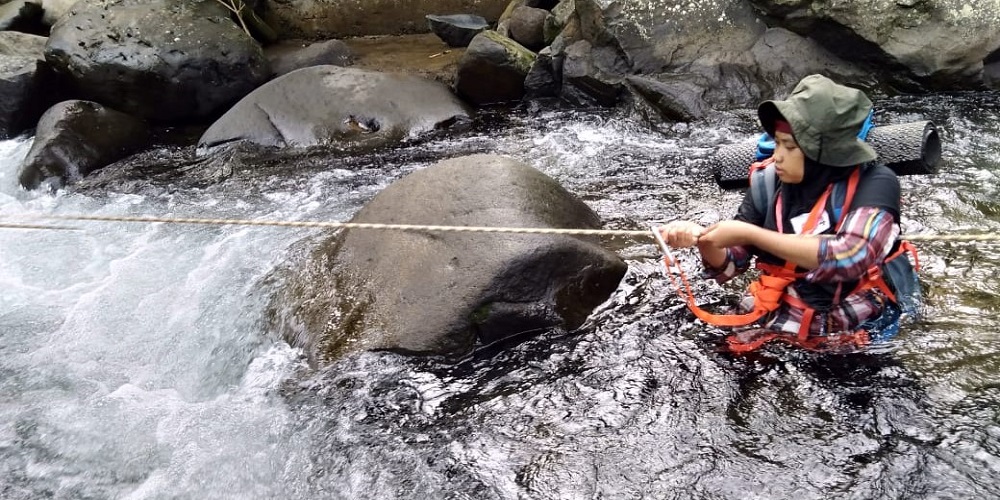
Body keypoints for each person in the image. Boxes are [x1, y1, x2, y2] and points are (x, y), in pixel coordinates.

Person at [661, 74, 911, 353]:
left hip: (851, 322)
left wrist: (752, 235)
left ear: (823, 152)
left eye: (789, 146)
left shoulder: (876, 182)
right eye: (777, 143)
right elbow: (730, 266)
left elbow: (851, 256)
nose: (777, 156)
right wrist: (704, 240)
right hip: (777, 309)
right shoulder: (768, 182)